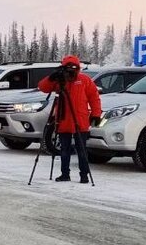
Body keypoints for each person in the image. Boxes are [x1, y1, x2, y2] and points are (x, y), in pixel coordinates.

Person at [38, 55, 102, 184]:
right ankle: (65, 174)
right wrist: (52, 77)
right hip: (63, 120)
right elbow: (43, 88)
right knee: (64, 149)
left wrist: (96, 114)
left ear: (78, 68)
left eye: (74, 68)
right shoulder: (59, 80)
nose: (71, 71)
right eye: (68, 68)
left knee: (82, 149)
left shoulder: (84, 80)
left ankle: (84, 175)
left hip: (80, 120)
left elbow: (94, 98)